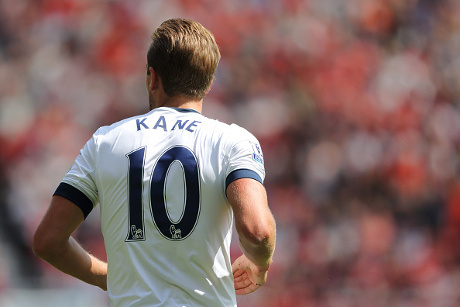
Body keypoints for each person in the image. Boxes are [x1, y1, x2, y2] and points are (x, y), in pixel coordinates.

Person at [32, 18, 276, 306]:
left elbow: (48, 240)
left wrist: (107, 277)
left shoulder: (106, 141)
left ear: (152, 77)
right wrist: (260, 262)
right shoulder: (232, 141)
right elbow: (257, 231)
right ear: (208, 83)